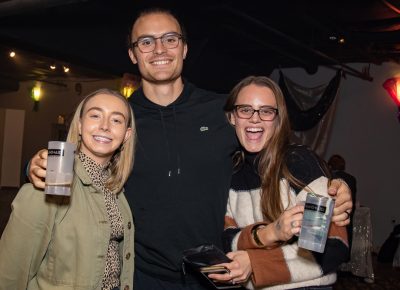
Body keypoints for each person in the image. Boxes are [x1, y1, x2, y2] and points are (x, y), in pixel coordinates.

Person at [28, 8, 352, 290]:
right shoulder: (121, 118)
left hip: (216, 273)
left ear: (184, 48)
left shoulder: (221, 111)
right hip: (141, 276)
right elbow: (81, 160)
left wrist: (339, 185)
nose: (159, 49)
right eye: (146, 41)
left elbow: (273, 151)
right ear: (132, 53)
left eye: (170, 39)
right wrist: (38, 164)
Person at [208, 76, 349, 289]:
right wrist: (269, 233)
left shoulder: (300, 163)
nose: (255, 119)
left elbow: (332, 248)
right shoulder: (232, 171)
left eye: (266, 111)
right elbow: (228, 238)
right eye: (245, 109)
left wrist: (256, 262)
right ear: (231, 117)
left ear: (278, 119)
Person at [0, 89, 135, 290]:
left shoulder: (116, 187)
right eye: (95, 115)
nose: (105, 126)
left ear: (126, 134)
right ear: (80, 125)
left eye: (116, 120)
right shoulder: (51, 180)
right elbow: (9, 274)